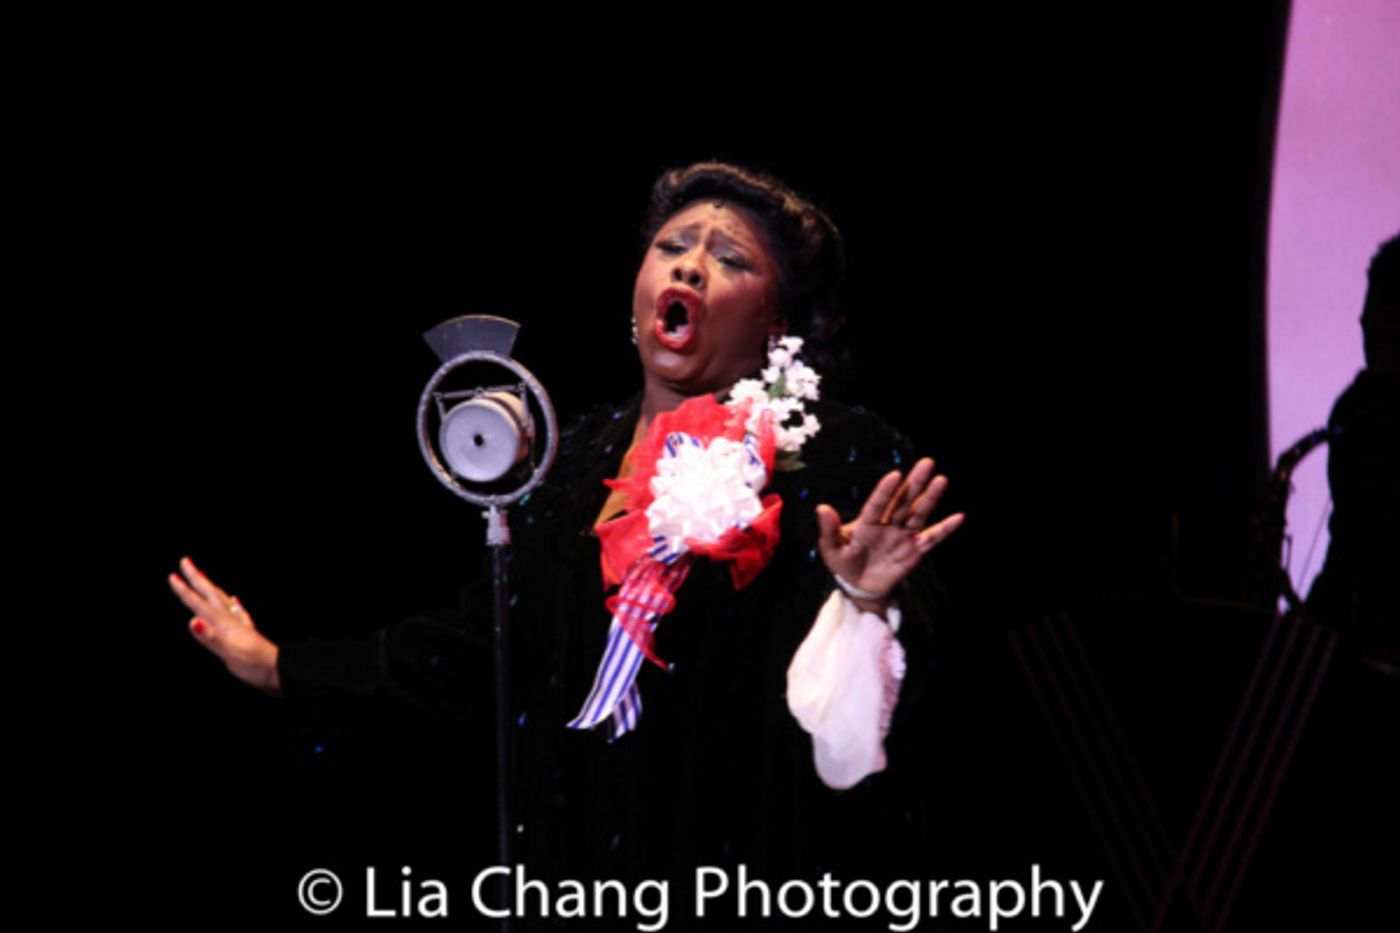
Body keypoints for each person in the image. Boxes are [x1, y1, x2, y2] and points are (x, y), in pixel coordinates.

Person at [169, 162, 964, 918]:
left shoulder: (831, 451)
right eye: (672, 247)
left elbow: (901, 691)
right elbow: (479, 650)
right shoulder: (573, 463)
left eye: (730, 260)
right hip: (587, 870)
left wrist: (866, 596)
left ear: (777, 318)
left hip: (762, 866)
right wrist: (284, 667)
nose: (690, 267)